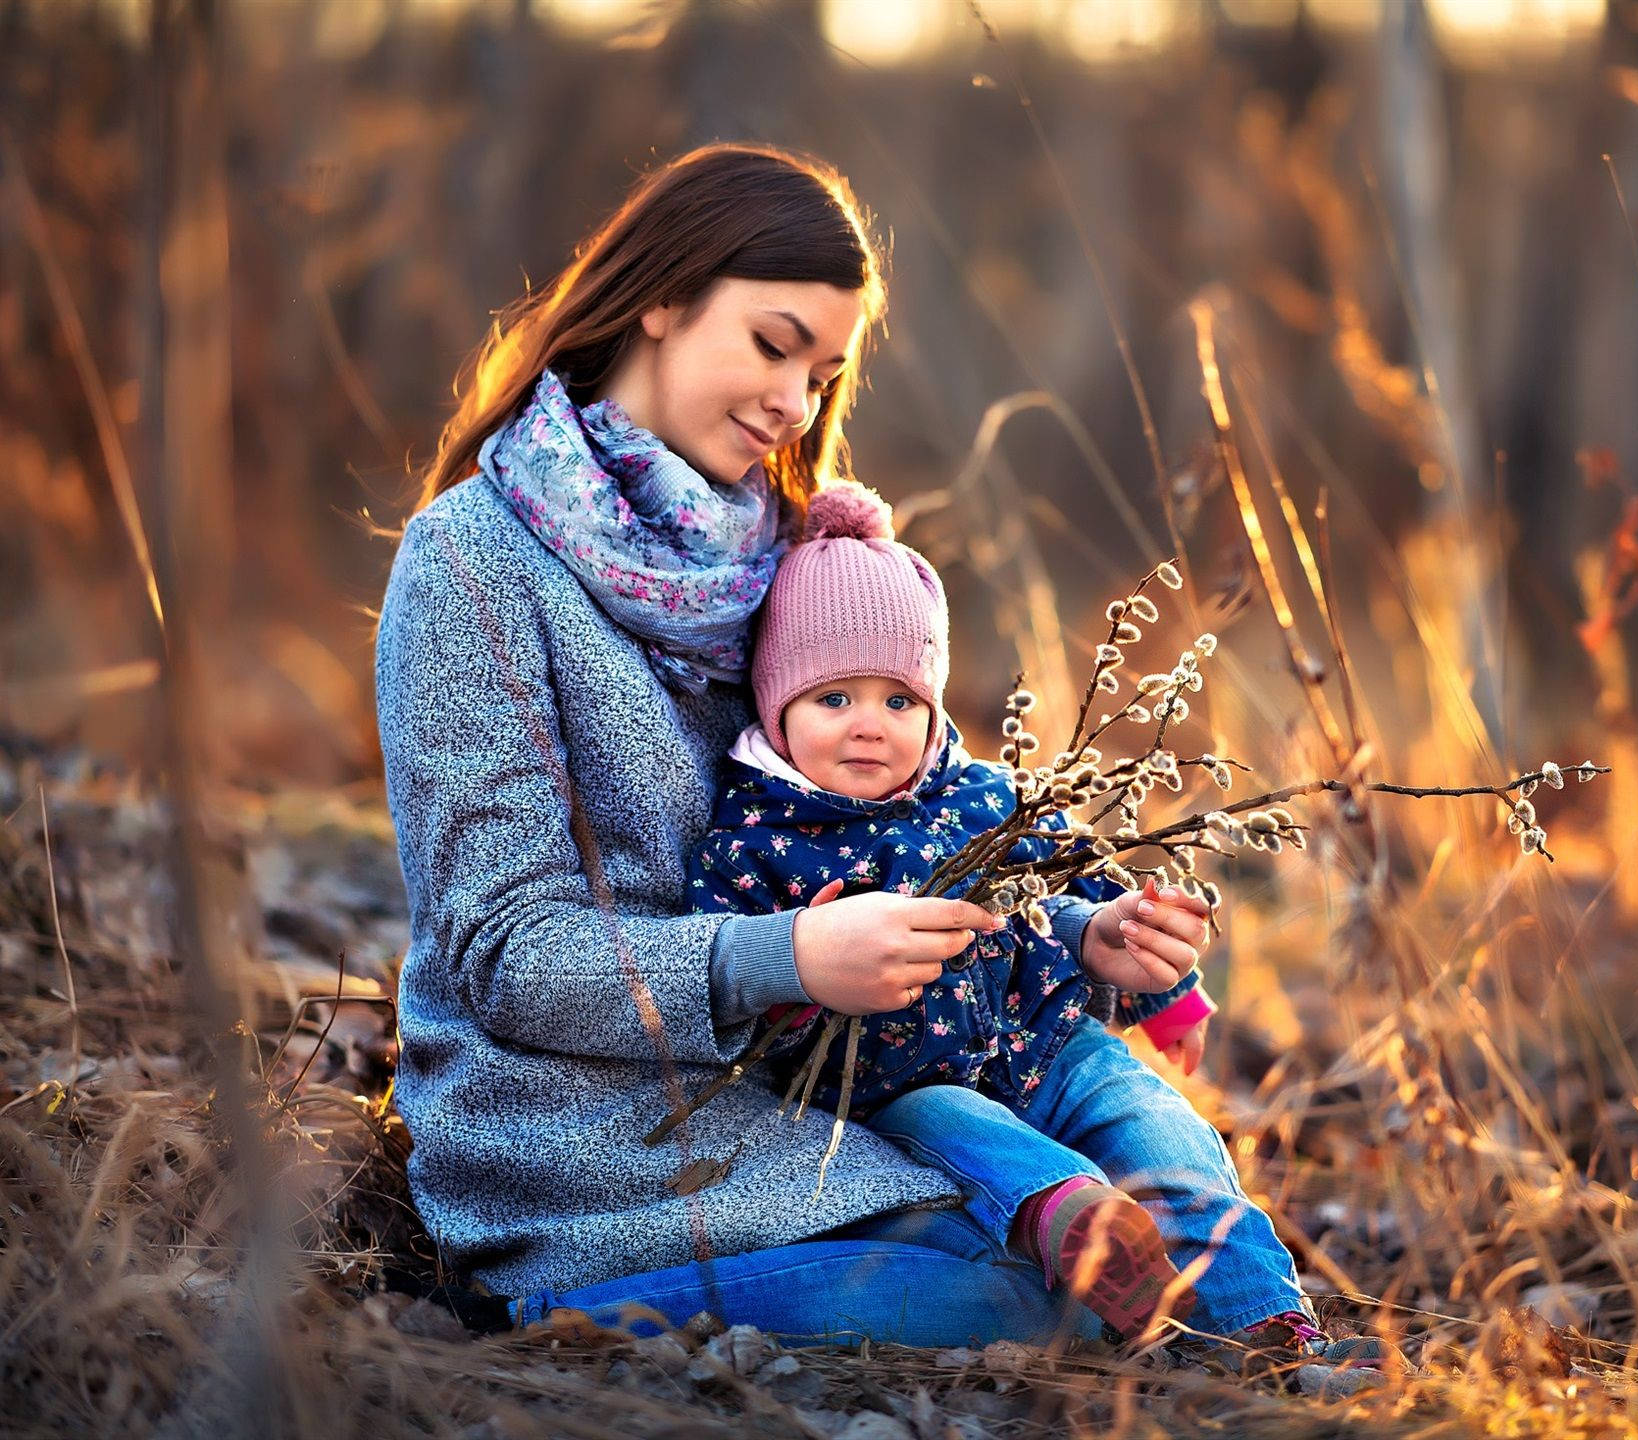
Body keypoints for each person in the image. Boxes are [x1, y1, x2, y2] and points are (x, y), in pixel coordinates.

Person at [377, 144, 1087, 1347]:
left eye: (823, 371)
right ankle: (554, 1312)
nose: (794, 405)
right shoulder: (470, 566)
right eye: (772, 345)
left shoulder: (793, 561)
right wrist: (786, 957)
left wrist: (1085, 922)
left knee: (1138, 1204)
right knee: (1040, 1297)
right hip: (576, 1143)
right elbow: (504, 951)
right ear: (661, 296)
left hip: (826, 1096)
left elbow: (912, 798)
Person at [684, 481, 1326, 1350]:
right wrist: (799, 973)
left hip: (1053, 1044)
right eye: (835, 699)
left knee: (1166, 1131)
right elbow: (726, 986)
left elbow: (1074, 890)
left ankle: (1271, 1324)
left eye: (899, 700)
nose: (870, 725)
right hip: (897, 1087)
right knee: (969, 1132)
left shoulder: (984, 797)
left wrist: (1151, 979)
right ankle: (1080, 1227)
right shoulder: (751, 837)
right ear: (776, 704)